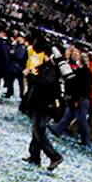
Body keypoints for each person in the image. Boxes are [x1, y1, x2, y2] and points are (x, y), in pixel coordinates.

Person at [22, 45, 64, 173]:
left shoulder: (51, 69)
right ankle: (34, 156)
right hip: (42, 103)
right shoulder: (49, 67)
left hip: (44, 105)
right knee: (36, 130)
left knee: (39, 131)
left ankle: (54, 156)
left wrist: (30, 76)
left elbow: (45, 83)